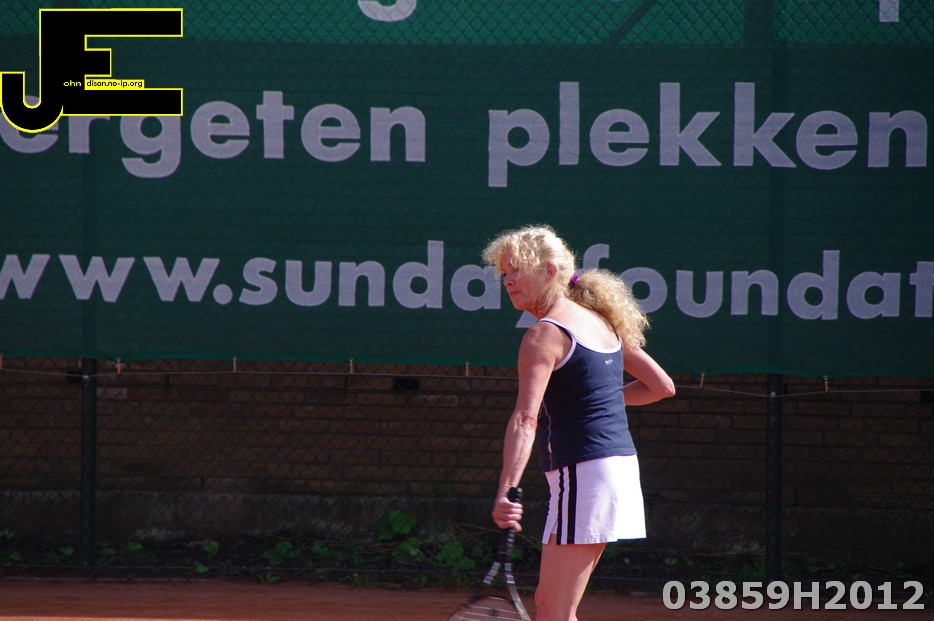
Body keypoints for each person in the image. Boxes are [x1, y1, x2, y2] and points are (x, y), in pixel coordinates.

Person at [482, 224, 675, 621]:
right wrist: (595, 401)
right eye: (505, 273)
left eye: (517, 270)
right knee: (551, 605)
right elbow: (661, 386)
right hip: (614, 469)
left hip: (583, 474)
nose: (508, 280)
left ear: (550, 271)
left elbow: (525, 419)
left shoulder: (543, 335)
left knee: (555, 612)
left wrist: (506, 491)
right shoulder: (601, 322)